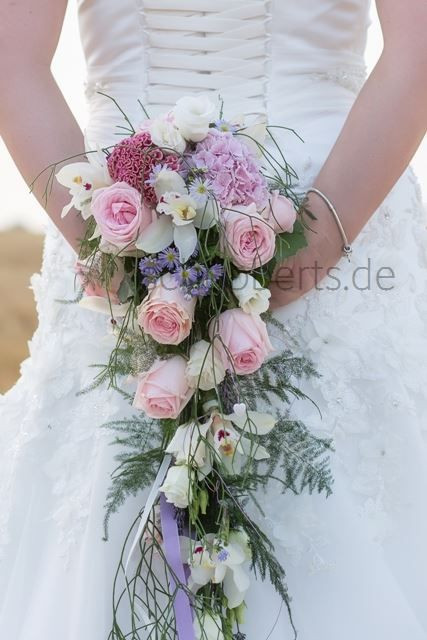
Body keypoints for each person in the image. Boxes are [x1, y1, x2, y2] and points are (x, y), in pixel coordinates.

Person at [0, 1, 426, 638]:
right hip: (114, 218)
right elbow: (12, 56)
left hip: (335, 205)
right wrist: (103, 237)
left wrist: (322, 234)